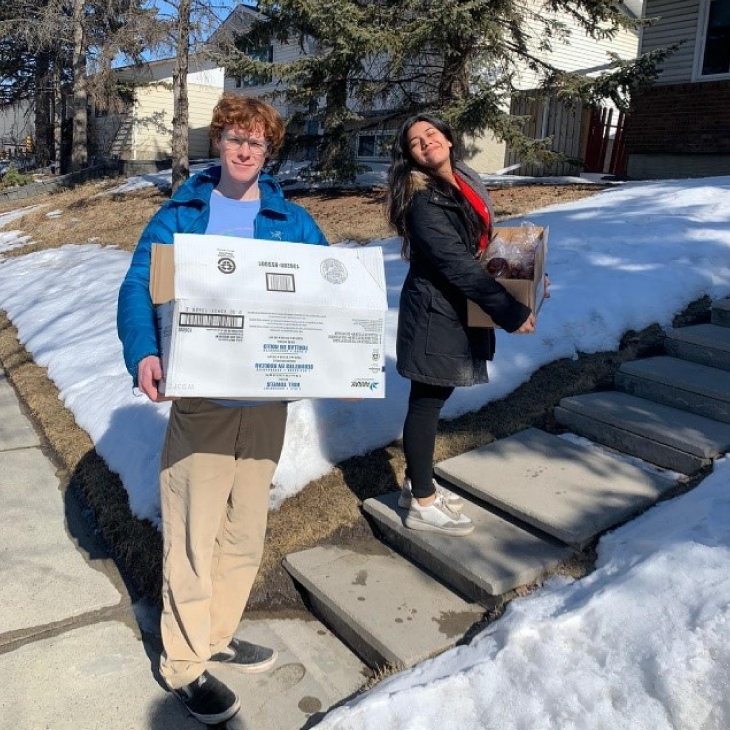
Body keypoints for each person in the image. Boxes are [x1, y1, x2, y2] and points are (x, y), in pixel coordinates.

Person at [117, 94, 328, 725]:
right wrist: (143, 353)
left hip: (265, 402)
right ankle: (182, 664)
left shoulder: (291, 219)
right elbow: (137, 286)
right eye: (234, 137)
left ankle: (214, 635)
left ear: (269, 151)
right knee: (191, 529)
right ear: (220, 143)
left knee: (243, 529)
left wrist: (345, 356)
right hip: (202, 400)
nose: (243, 149)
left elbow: (328, 294)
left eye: (256, 141)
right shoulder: (181, 213)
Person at [387, 113, 546, 537]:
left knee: (432, 397)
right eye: (415, 141)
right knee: (427, 401)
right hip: (435, 312)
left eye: (431, 133)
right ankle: (422, 502)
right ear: (410, 157)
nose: (426, 142)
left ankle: (413, 486)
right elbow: (459, 266)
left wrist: (525, 279)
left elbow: (484, 248)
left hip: (454, 308)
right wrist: (510, 311)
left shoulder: (463, 181)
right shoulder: (422, 201)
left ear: (448, 138)